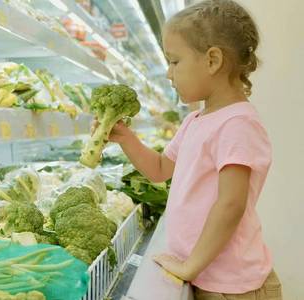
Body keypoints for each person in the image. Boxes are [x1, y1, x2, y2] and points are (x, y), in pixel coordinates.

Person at [104, 0, 282, 298]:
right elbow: (160, 170)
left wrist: (190, 267)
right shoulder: (195, 121)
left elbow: (230, 205)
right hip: (205, 275)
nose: (169, 74)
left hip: (233, 287)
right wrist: (126, 138)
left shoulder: (237, 124)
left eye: (174, 61)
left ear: (212, 60)